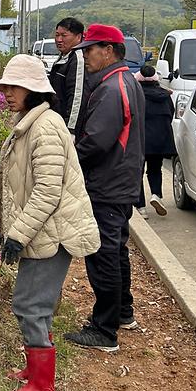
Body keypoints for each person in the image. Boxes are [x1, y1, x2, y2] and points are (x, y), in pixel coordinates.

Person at [0, 55, 100, 391]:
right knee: (33, 301)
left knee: (30, 304)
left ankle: (42, 387)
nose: (7, 93)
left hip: (52, 232)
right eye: (6, 86)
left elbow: (47, 192)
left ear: (35, 90)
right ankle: (33, 370)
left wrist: (17, 234)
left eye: (15, 87)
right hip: (41, 229)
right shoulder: (28, 121)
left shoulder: (46, 127)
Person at [65, 24, 145, 352]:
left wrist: (68, 161)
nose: (86, 55)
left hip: (108, 183)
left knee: (103, 254)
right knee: (117, 249)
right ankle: (123, 312)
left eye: (90, 49)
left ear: (108, 51)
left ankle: (104, 329)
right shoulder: (125, 80)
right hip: (121, 180)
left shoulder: (113, 87)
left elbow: (96, 141)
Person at [135, 64, 174, 219]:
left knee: (137, 173)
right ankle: (156, 195)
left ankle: (141, 208)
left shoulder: (136, 95)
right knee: (155, 169)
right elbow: (170, 114)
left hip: (140, 139)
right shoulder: (165, 95)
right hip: (160, 139)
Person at [48, 17, 90, 138]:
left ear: (78, 37)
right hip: (57, 121)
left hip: (68, 128)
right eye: (57, 35)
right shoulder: (64, 56)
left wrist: (70, 130)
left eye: (64, 35)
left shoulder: (78, 59)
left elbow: (77, 96)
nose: (59, 40)